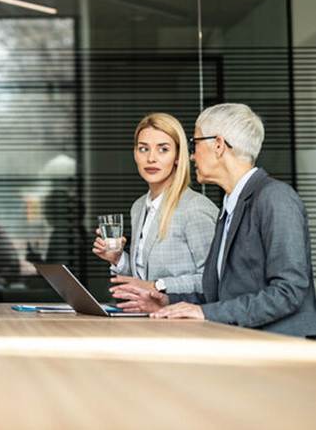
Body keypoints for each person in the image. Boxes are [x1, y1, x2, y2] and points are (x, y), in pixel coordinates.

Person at [112, 103, 316, 337]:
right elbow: (221, 293)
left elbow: (289, 291)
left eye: (195, 143)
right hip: (243, 340)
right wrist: (166, 301)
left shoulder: (275, 198)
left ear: (218, 145)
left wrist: (206, 313)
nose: (191, 155)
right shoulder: (231, 206)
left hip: (280, 347)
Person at [92, 113, 218, 295]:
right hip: (149, 317)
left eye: (163, 149)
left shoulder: (195, 208)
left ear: (177, 156)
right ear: (135, 153)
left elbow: (212, 280)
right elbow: (143, 281)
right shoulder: (139, 207)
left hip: (183, 319)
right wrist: (118, 259)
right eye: (143, 149)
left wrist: (157, 285)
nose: (151, 158)